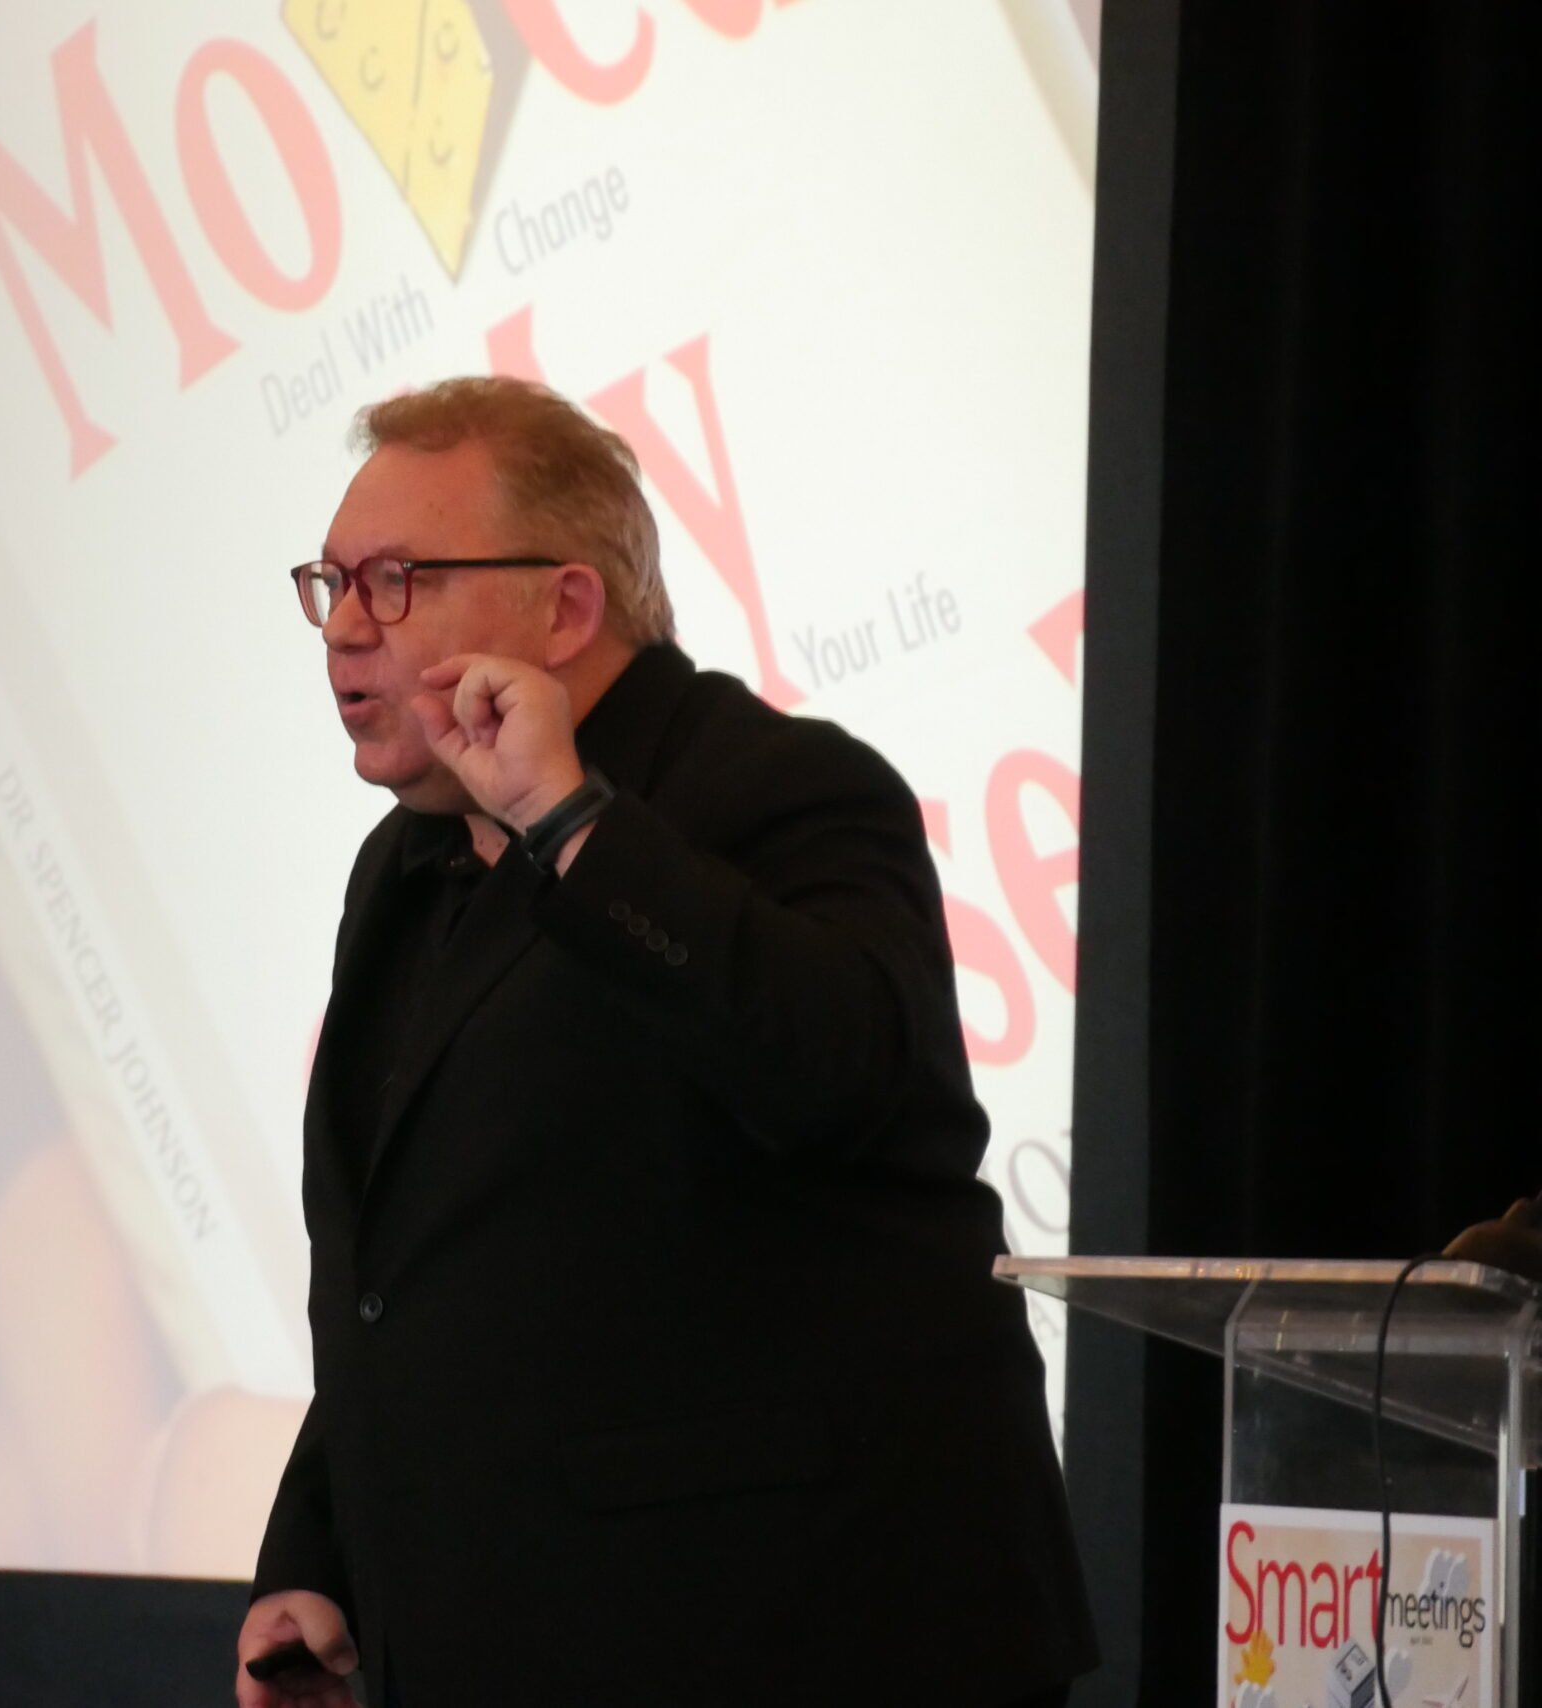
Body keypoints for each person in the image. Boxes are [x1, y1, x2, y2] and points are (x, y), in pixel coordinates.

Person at [236, 378, 1097, 1707]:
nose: (346, 628)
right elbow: (400, 1274)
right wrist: (319, 1560)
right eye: (330, 583)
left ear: (565, 607)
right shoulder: (403, 871)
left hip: (796, 1638)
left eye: (395, 581)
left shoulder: (784, 791)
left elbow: (846, 1074)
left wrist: (569, 822)